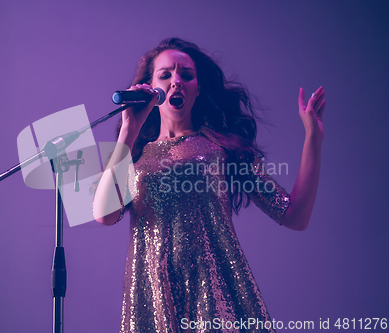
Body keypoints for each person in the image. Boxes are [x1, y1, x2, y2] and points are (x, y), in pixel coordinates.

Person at [93, 38, 325, 333]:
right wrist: (129, 129)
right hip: (152, 300)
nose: (176, 81)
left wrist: (313, 139)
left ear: (198, 89)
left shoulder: (222, 148)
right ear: (151, 90)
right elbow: (104, 214)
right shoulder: (134, 157)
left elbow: (294, 215)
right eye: (165, 75)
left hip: (214, 299)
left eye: (186, 75)